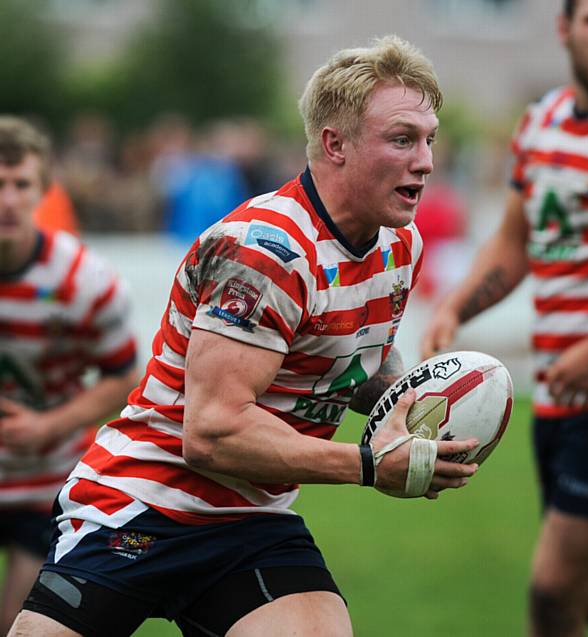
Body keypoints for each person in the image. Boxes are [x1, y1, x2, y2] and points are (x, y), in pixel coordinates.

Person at [10, 36, 479, 637]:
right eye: (402, 139)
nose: (426, 161)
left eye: (429, 138)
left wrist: (416, 402)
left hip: (251, 521)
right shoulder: (266, 252)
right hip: (142, 502)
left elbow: (355, 355)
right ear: (335, 144)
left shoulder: (399, 243)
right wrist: (367, 464)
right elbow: (212, 432)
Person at [421, 2, 588, 635]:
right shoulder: (542, 121)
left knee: (554, 596)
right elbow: (516, 243)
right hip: (560, 395)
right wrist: (458, 305)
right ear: (564, 27)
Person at [0, 116, 139, 635]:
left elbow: (126, 375)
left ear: (43, 190)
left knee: (17, 625)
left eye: (20, 185)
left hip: (46, 480)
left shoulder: (82, 280)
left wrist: (50, 424)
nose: (8, 200)